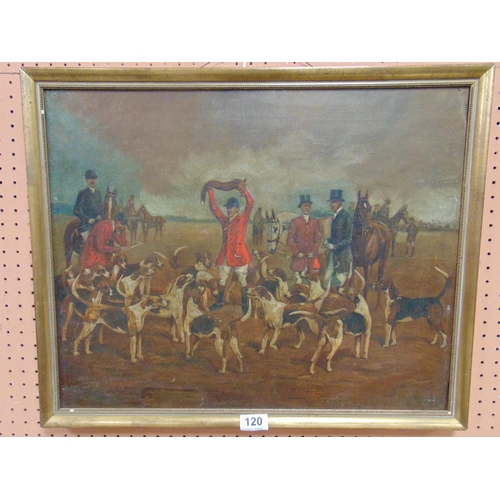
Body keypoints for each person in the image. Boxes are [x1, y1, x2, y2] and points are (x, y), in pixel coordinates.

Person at [207, 180, 254, 313]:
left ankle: (244, 304)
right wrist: (210, 191)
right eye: (228, 207)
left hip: (239, 255)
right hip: (226, 255)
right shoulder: (224, 221)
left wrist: (244, 191)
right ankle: (219, 302)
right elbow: (214, 209)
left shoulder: (242, 219)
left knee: (242, 280)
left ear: (237, 209)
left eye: (231, 207)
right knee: (222, 279)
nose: (228, 210)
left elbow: (250, 203)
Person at [286, 194, 322, 284]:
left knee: (314, 283)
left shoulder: (315, 222)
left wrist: (313, 252)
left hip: (312, 259)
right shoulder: (295, 221)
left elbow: (318, 239)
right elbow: (290, 239)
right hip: (299, 259)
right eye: (305, 205)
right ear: (301, 207)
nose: (307, 208)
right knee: (299, 283)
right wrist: (297, 252)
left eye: (309, 205)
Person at [323, 189, 353, 289]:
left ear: (339, 202)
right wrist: (328, 241)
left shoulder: (346, 217)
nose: (331, 204)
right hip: (334, 255)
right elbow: (336, 236)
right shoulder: (335, 216)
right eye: (331, 202)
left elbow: (348, 239)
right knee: (326, 280)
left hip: (343, 256)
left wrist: (334, 246)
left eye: (333, 202)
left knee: (339, 283)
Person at [73, 169, 103, 240]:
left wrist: (100, 215)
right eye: (90, 179)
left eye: (94, 178)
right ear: (86, 180)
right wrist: (87, 219)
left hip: (98, 222)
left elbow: (101, 209)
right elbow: (75, 211)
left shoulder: (98, 193)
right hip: (86, 224)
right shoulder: (82, 193)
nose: (93, 181)